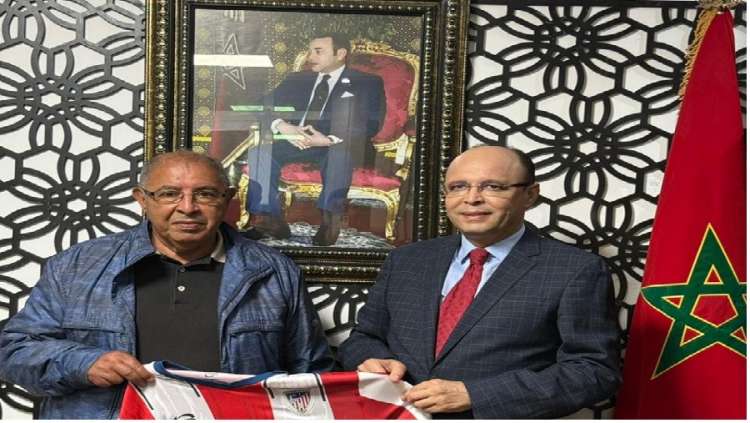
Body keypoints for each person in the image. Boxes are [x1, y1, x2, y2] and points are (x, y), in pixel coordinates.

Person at [0, 151, 334, 419]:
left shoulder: (275, 271)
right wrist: (83, 363)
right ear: (142, 199)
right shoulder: (77, 265)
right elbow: (13, 352)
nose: (187, 208)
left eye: (205, 194)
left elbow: (312, 376)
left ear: (228, 198)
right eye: (169, 194)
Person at [337, 146, 621, 419]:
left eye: (493, 187)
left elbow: (593, 372)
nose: (472, 198)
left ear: (530, 195)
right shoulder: (406, 260)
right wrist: (372, 359)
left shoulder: (576, 270)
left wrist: (475, 395)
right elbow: (364, 338)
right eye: (458, 187)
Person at [246, 32, 386, 246]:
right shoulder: (297, 80)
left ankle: (330, 220)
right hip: (296, 142)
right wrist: (282, 125)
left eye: (318, 51)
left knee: (338, 157)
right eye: (310, 51)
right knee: (259, 153)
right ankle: (269, 219)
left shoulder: (366, 83)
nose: (310, 57)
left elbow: (371, 124)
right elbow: (259, 105)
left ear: (340, 53)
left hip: (339, 144)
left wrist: (329, 139)